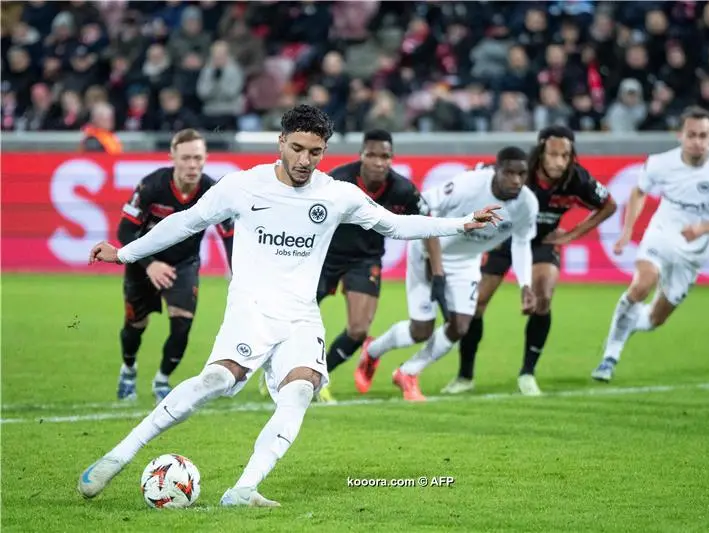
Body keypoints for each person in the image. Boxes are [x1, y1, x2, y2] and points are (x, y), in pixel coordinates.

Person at [78, 104, 502, 507]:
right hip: (252, 309)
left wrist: (461, 223)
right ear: (280, 142)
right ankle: (119, 454)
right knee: (215, 382)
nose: (305, 159)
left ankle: (243, 490)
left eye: (315, 152)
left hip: (300, 315)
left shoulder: (337, 195)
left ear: (325, 151)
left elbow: (396, 224)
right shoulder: (243, 186)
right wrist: (126, 254)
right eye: (297, 148)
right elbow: (184, 222)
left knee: (300, 390)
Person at [354, 147, 540, 401]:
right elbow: (424, 205)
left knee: (460, 325)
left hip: (466, 262)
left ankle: (408, 372)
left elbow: (521, 243)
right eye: (510, 172)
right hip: (428, 252)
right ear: (496, 170)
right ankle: (372, 351)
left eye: (522, 174)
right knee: (421, 330)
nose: (516, 180)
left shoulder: (527, 203)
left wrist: (525, 285)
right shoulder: (468, 185)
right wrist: (435, 263)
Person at [445, 125, 618, 396]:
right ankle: (465, 376)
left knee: (543, 297)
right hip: (503, 240)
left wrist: (571, 235)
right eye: (553, 154)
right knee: (476, 304)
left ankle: (527, 373)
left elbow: (609, 205)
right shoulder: (519, 172)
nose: (559, 162)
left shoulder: (578, 179)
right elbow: (479, 175)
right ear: (541, 151)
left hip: (541, 242)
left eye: (565, 155)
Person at [282, 128, 446, 403]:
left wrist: (438, 274)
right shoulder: (338, 180)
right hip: (325, 256)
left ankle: (318, 380)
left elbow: (428, 225)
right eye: (372, 155)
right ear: (361, 155)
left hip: (365, 259)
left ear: (392, 158)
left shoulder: (403, 190)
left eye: (385, 156)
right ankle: (277, 372)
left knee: (358, 330)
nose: (379, 162)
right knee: (294, 319)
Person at [591, 106, 709, 382]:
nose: (697, 142)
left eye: (703, 136)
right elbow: (639, 191)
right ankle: (610, 356)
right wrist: (628, 231)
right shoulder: (660, 163)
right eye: (692, 135)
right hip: (662, 234)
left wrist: (705, 227)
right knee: (642, 284)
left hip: (695, 251)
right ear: (680, 135)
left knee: (655, 319)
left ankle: (625, 324)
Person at [116, 128, 234, 402]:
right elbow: (124, 232)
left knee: (182, 325)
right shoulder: (151, 186)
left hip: (184, 263)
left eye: (198, 158)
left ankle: (161, 381)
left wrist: (236, 273)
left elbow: (229, 235)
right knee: (135, 326)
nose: (192, 165)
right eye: (186, 158)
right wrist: (150, 264)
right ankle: (129, 370)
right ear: (172, 157)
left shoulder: (212, 191)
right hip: (143, 263)